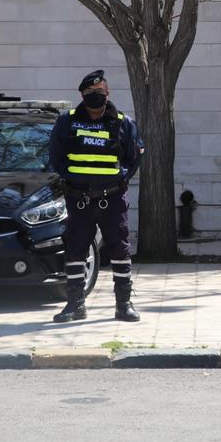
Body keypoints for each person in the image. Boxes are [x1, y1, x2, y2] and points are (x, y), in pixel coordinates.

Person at [48, 69, 144, 324]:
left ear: (107, 93)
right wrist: (71, 177)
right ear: (82, 94)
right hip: (78, 198)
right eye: (91, 92)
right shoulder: (67, 121)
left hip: (111, 198)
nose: (96, 95)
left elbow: (134, 157)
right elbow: (55, 156)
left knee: (119, 250)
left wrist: (121, 178)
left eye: (100, 91)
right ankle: (75, 304)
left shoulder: (123, 122)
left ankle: (123, 305)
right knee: (76, 249)